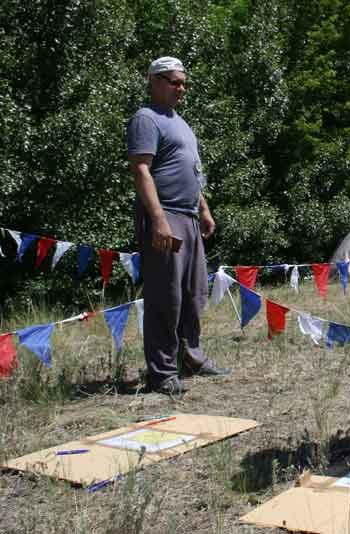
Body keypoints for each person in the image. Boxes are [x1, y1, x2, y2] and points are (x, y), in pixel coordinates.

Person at [127, 56, 230, 395]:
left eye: (183, 83)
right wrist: (157, 220)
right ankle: (162, 373)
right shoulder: (146, 118)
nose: (181, 88)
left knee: (193, 293)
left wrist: (204, 209)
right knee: (165, 296)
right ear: (154, 81)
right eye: (174, 81)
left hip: (187, 216)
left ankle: (192, 357)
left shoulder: (181, 123)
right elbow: (142, 170)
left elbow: (190, 171)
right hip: (165, 215)